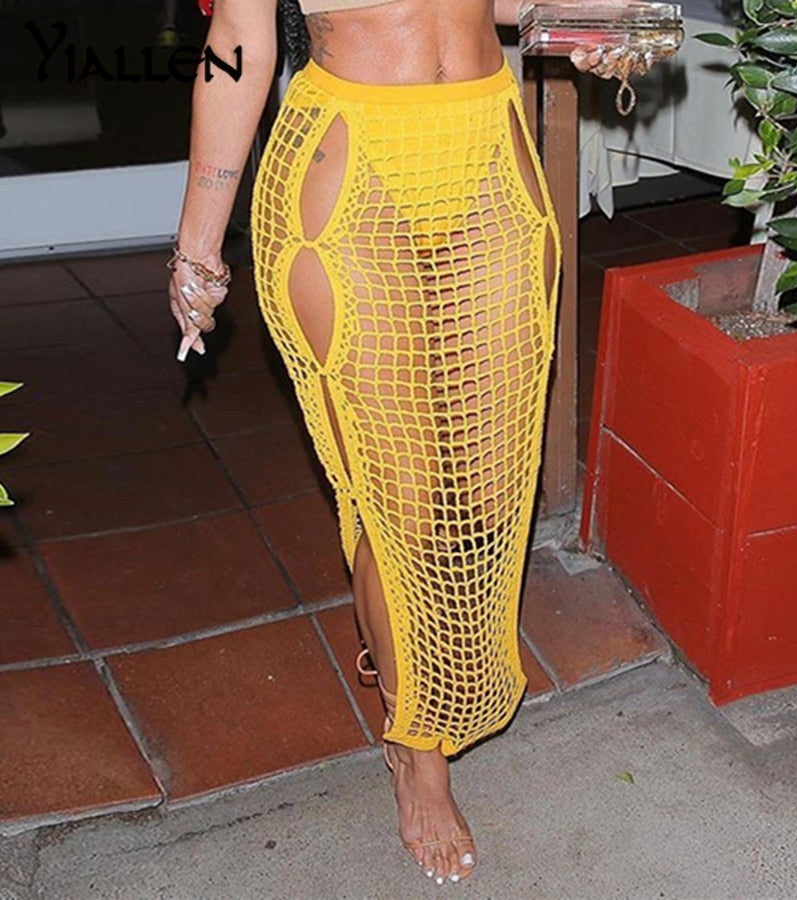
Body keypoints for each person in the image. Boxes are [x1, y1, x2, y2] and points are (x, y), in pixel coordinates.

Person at [167, 0, 652, 885]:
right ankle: (414, 747)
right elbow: (238, 42)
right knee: (402, 500)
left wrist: (578, 20)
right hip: (350, 167)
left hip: (487, 146)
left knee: (490, 485)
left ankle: (432, 677)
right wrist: (199, 241)